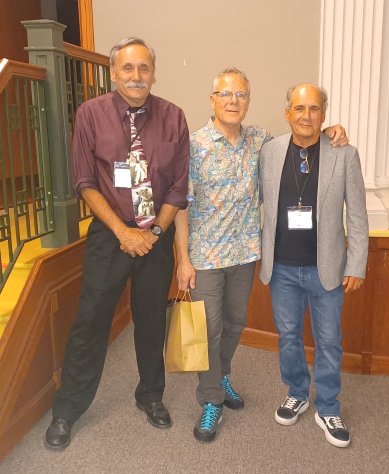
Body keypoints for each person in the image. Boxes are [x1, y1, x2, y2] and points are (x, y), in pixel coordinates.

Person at [174, 69, 348, 442]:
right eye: (226, 94)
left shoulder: (261, 143)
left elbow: (305, 134)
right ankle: (210, 401)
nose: (233, 101)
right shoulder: (194, 145)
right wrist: (182, 260)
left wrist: (331, 128)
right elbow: (181, 206)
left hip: (245, 254)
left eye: (241, 95)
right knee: (208, 330)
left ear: (249, 101)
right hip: (205, 256)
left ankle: (221, 375)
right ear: (212, 100)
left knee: (235, 323)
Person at [44, 37, 189, 450]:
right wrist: (124, 232)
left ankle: (151, 396)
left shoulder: (174, 117)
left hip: (155, 237)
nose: (137, 76)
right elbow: (84, 182)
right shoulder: (90, 114)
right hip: (110, 237)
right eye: (128, 68)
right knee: (90, 321)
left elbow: (178, 189)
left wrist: (154, 234)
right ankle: (67, 409)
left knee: (150, 320)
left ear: (154, 73)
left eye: (144, 68)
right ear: (114, 73)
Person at [259, 83, 369, 448]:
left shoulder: (344, 154)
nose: (306, 115)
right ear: (287, 112)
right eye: (299, 108)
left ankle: (328, 406)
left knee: (329, 340)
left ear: (324, 114)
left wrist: (357, 263)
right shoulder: (270, 151)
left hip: (327, 269)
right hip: (283, 269)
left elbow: (357, 213)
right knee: (288, 336)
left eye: (314, 109)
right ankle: (296, 391)